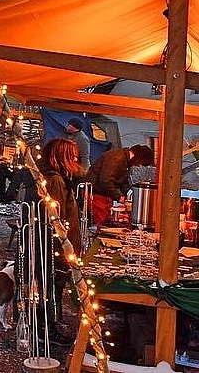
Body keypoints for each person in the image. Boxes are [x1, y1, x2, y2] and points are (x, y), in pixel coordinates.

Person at [20, 138, 82, 345]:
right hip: (51, 247)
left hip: (49, 246)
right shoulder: (54, 180)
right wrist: (62, 248)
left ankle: (46, 326)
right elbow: (55, 219)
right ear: (61, 156)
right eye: (72, 155)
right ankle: (46, 330)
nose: (75, 158)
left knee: (49, 287)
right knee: (50, 288)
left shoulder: (54, 177)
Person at [86, 144, 154, 229]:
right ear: (138, 157)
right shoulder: (117, 158)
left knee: (105, 221)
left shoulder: (124, 159)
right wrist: (119, 197)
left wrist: (128, 195)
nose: (139, 166)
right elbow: (106, 180)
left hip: (103, 194)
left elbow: (123, 182)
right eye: (140, 163)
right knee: (102, 223)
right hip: (97, 194)